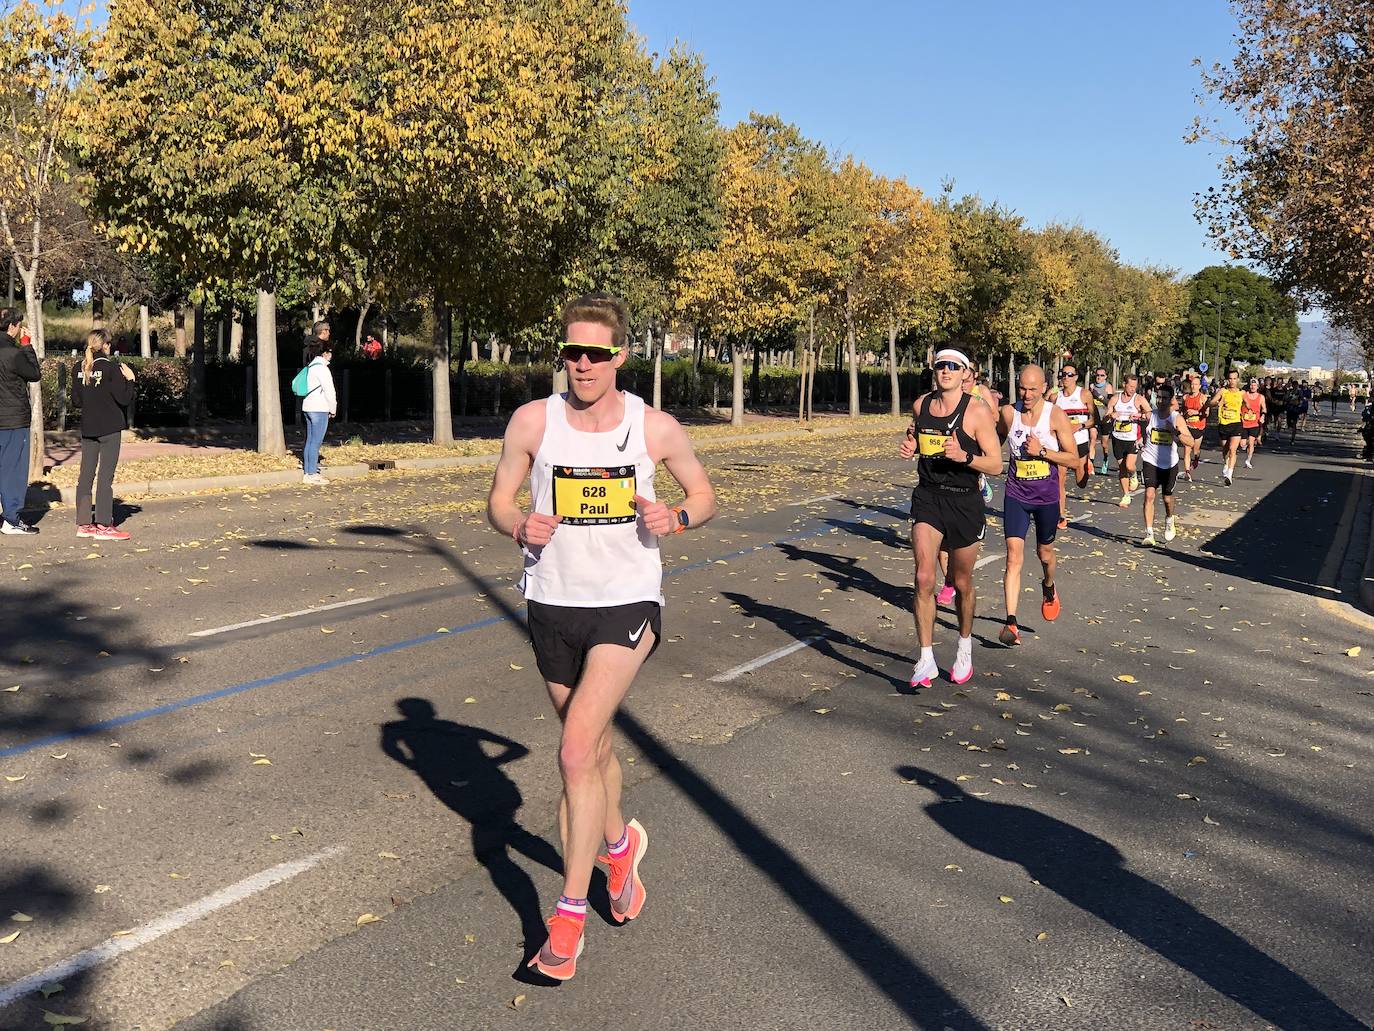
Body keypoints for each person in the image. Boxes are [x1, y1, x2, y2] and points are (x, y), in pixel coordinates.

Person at [486, 292, 717, 981]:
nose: (582, 365)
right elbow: (498, 499)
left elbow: (704, 495)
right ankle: (620, 845)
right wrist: (516, 524)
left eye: (595, 353)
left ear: (619, 354)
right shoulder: (534, 420)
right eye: (571, 352)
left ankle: (566, 918)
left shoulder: (654, 427)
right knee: (592, 749)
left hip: (627, 602)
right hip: (553, 601)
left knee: (575, 748)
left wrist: (673, 518)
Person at [899, 347, 1002, 687]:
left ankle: (964, 645)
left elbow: (996, 464)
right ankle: (925, 659)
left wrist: (964, 456)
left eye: (953, 367)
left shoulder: (977, 411)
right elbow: (917, 435)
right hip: (928, 498)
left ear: (964, 373)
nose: (946, 371)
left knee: (961, 583)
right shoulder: (921, 405)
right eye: (941, 365)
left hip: (965, 502)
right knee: (924, 577)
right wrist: (911, 444)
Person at [996, 365, 1082, 646]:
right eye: (1022, 388)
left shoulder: (1054, 415)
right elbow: (991, 443)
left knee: (1044, 553)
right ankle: (1011, 622)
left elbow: (1073, 459)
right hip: (1016, 494)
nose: (1027, 394)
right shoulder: (1009, 414)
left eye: (1033, 389)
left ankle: (1048, 586)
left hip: (1046, 497)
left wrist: (1043, 452)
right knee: (1013, 556)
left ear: (1044, 387)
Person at [71, 329, 136, 540]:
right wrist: (131, 380)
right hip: (109, 428)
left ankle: (83, 523)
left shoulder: (79, 368)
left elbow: (76, 401)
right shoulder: (111, 368)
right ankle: (103, 523)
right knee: (105, 476)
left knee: (86, 475)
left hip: (88, 428)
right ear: (106, 345)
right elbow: (124, 398)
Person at [0, 307, 40, 536]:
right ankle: (12, 519)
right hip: (12, 419)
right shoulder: (14, 353)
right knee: (13, 471)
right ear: (13, 326)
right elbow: (34, 374)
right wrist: (26, 345)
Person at [1140, 384, 1194, 546]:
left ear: (1171, 400)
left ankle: (1170, 518)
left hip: (1169, 464)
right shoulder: (1151, 416)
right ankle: (1149, 533)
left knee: (1167, 498)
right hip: (1150, 460)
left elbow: (1190, 441)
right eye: (1159, 397)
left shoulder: (1176, 418)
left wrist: (1174, 431)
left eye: (1164, 398)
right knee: (1149, 495)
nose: (1161, 401)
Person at [1048, 363, 1094, 528]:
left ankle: (1086, 464)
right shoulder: (1055, 397)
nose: (1065, 377)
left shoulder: (1084, 394)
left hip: (1080, 441)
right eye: (1063, 374)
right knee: (1060, 478)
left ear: (1076, 377)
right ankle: (1061, 515)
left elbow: (1094, 420)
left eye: (1069, 374)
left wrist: (1079, 426)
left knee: (1081, 483)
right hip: (1062, 443)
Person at [1107, 374, 1150, 507]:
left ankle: (1133, 475)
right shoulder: (1115, 399)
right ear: (1124, 384)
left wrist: (1139, 415)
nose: (1132, 389)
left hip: (1133, 438)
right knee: (1121, 468)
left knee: (1129, 466)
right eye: (1130, 386)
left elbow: (1149, 415)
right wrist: (1111, 415)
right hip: (1117, 437)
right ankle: (1126, 495)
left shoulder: (1139, 399)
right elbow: (1106, 416)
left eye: (1134, 387)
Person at [300, 339, 336, 485]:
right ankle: (311, 473)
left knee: (309, 441)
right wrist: (332, 409)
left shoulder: (311, 366)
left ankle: (308, 470)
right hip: (319, 408)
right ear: (325, 353)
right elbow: (329, 391)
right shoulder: (323, 369)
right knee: (316, 442)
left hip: (307, 407)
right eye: (331, 352)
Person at [1210, 368, 1245, 486]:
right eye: (1230, 379)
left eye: (1235, 379)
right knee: (1225, 449)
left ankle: (1230, 475)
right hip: (1224, 423)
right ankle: (1226, 463)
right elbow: (1211, 402)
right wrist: (1217, 403)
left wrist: (1249, 412)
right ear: (1227, 380)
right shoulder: (1222, 391)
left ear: (1238, 379)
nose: (1232, 381)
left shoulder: (1242, 393)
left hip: (1236, 424)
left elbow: (1248, 405)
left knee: (1232, 449)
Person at [1180, 374, 1207, 479]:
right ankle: (1187, 472)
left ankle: (1196, 459)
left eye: (1196, 384)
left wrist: (1196, 412)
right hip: (1188, 427)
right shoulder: (1185, 397)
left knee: (1195, 450)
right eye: (1192, 384)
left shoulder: (1203, 398)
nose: (1193, 386)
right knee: (1187, 449)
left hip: (1199, 427)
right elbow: (1182, 411)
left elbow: (1206, 413)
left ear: (1199, 386)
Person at [1089, 367, 1115, 474]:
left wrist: (1097, 395)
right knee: (1093, 440)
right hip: (1094, 418)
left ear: (1105, 377)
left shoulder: (1108, 387)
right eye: (1097, 375)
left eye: (1101, 375)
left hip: (1105, 418)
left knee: (1104, 445)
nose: (1099, 378)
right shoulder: (1091, 386)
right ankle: (1091, 466)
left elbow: (1110, 403)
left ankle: (1105, 458)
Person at [1239, 377, 1266, 470]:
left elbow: (1264, 409)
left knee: (1251, 443)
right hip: (1243, 423)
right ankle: (1244, 444)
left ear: (1257, 386)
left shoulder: (1261, 397)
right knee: (1242, 444)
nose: (1253, 387)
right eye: (1251, 385)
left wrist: (1263, 416)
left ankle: (1248, 460)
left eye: (1254, 385)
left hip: (1254, 424)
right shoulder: (1244, 395)